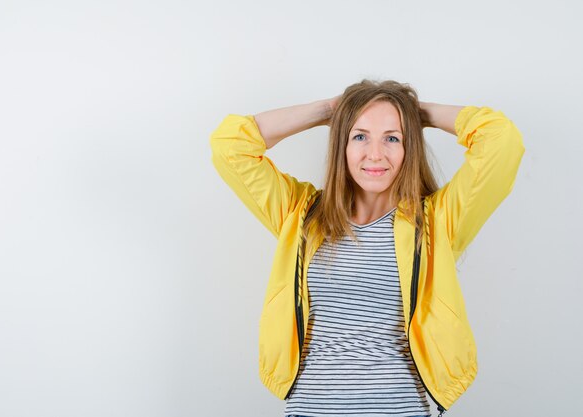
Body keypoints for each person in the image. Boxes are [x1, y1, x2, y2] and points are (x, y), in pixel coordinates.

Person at [209, 80, 524, 417]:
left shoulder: (436, 222)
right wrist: (330, 111)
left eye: (392, 137)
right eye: (360, 136)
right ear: (342, 144)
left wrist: (417, 114)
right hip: (309, 411)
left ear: (409, 147)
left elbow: (501, 140)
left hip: (400, 411)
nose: (375, 153)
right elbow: (229, 146)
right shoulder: (300, 214)